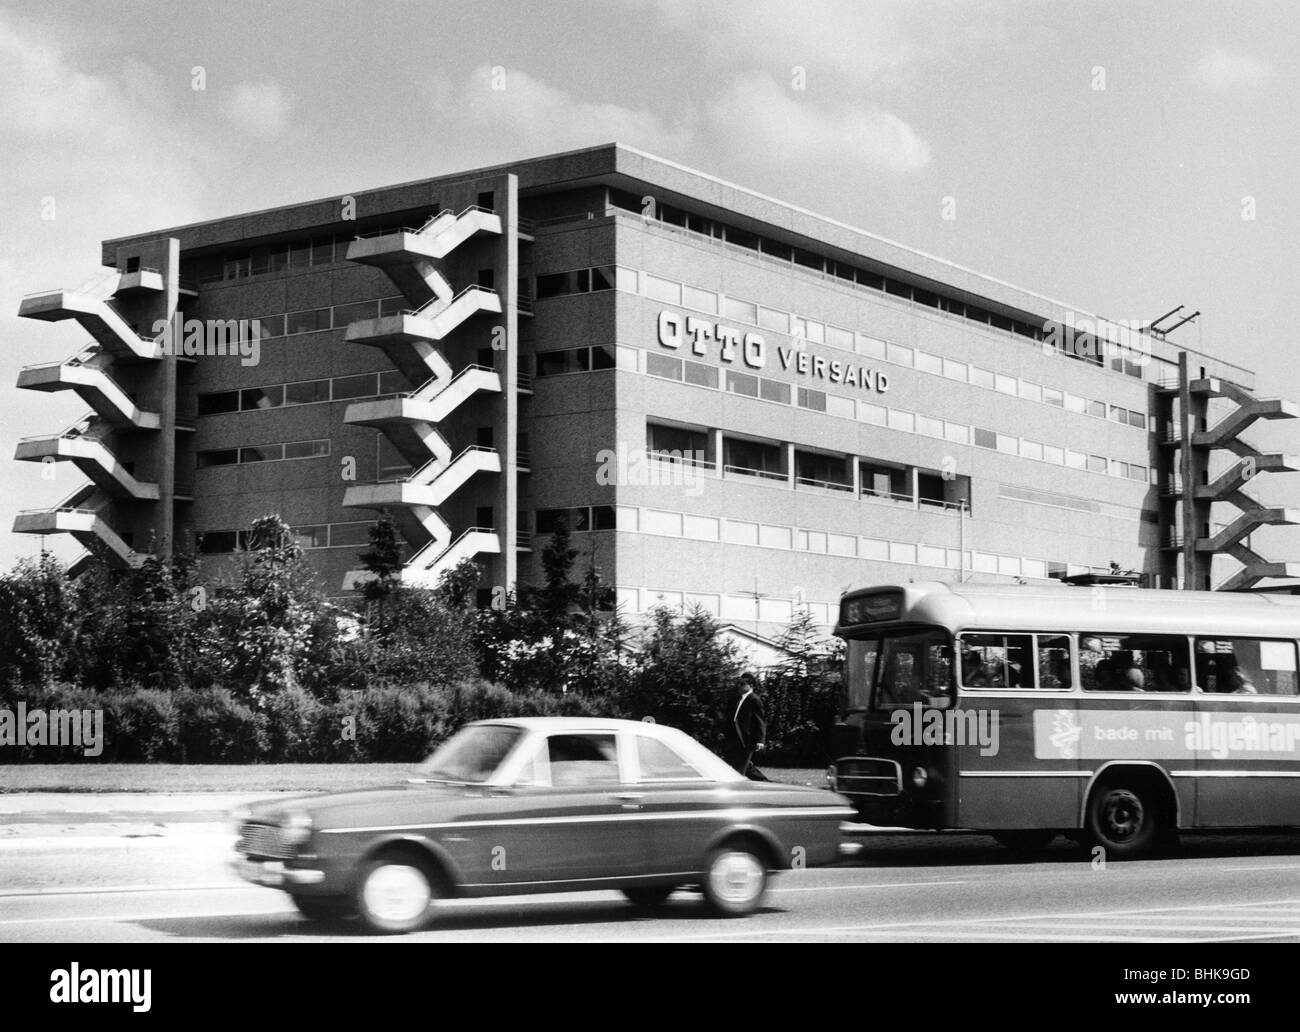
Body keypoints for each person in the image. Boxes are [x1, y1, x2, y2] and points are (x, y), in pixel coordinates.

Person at [732, 672, 769, 781]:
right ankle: (765, 782)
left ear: (751, 685)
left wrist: (760, 740)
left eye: (742, 684)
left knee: (740, 768)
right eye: (739, 683)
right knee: (745, 765)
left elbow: (760, 721)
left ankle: (737, 785)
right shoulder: (738, 699)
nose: (739, 686)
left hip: (747, 740)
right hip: (736, 739)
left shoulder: (754, 700)